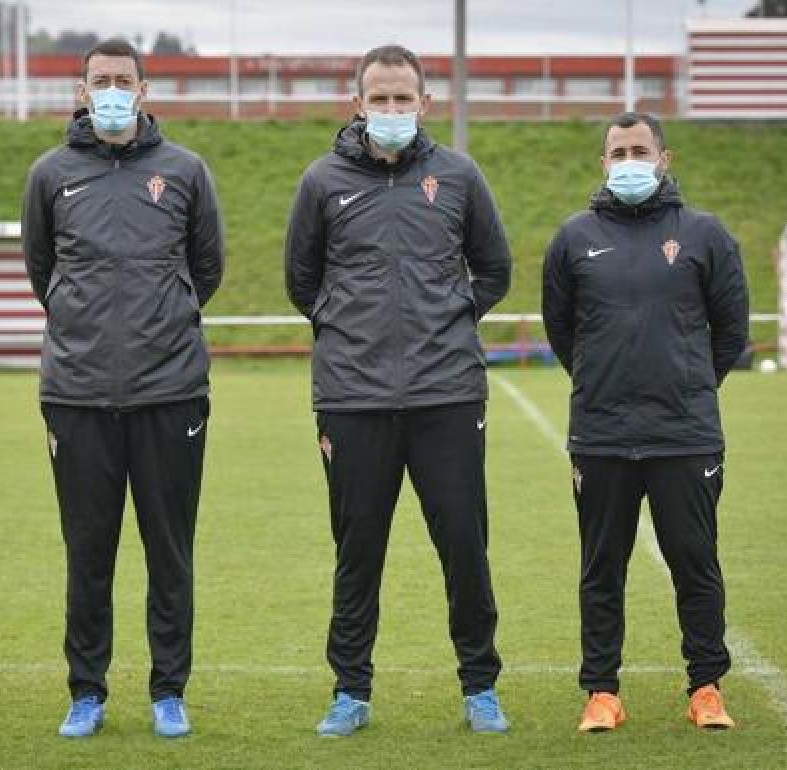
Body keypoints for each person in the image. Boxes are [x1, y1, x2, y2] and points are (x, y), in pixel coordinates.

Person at [285, 44, 512, 736]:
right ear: (357, 104)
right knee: (358, 551)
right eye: (378, 99)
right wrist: (347, 327)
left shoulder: (459, 176)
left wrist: (444, 320)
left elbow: (494, 269)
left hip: (446, 395)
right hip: (352, 400)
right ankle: (350, 690)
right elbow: (303, 281)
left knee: (464, 547)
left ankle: (480, 687)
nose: (390, 110)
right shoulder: (322, 181)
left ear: (425, 102)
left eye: (401, 98)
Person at [21, 38, 224, 739]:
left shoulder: (186, 171)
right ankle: (87, 692)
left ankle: (169, 691)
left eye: (122, 80)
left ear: (143, 90)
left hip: (170, 393)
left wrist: (159, 319)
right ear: (82, 92)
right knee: (89, 553)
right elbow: (41, 268)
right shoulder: (50, 174)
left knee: (170, 553)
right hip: (76, 396)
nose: (110, 90)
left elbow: (207, 267)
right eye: (98, 80)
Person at [542, 111, 749, 733]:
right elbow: (562, 331)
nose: (628, 160)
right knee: (601, 568)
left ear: (664, 158)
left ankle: (706, 687)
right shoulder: (574, 237)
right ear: (603, 163)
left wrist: (686, 382)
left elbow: (732, 331)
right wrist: (603, 381)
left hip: (684, 434)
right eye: (617, 152)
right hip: (601, 434)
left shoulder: (705, 234)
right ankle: (602, 693)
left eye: (640, 149)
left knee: (695, 562)